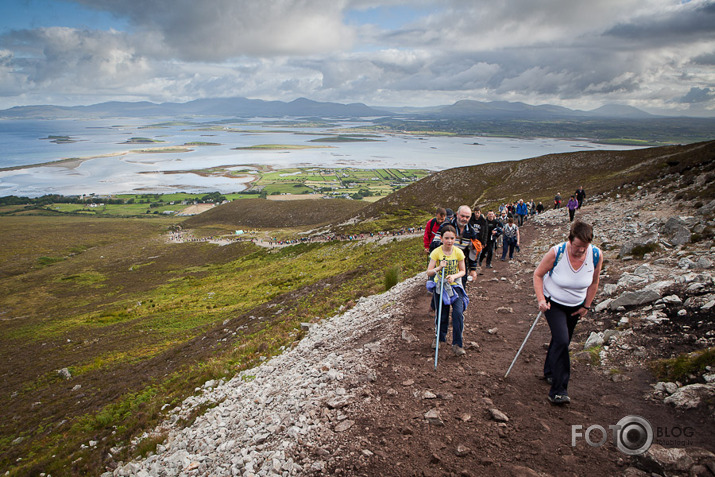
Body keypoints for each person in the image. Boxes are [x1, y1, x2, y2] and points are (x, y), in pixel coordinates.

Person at [533, 220, 602, 405]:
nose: (580, 250)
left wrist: (586, 305)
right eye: (577, 246)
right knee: (562, 340)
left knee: (561, 340)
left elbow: (594, 282)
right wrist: (541, 299)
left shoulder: (595, 255)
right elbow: (538, 274)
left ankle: (549, 372)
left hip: (575, 306)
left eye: (584, 247)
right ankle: (558, 390)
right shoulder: (557, 252)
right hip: (553, 303)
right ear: (570, 239)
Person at [427, 225, 469, 356]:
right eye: (446, 238)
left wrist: (454, 277)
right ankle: (439, 338)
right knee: (442, 314)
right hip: (440, 287)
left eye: (452, 238)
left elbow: (463, 271)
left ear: (455, 238)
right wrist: (439, 268)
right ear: (441, 238)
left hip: (455, 287)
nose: (449, 241)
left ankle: (457, 344)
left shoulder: (458, 252)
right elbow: (429, 271)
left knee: (457, 314)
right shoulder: (436, 252)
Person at [435, 205, 479, 284]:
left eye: (467, 217)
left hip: (460, 263)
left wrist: (473, 269)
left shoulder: (471, 231)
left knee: (460, 289)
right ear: (457, 214)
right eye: (462, 216)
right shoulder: (445, 226)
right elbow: (434, 244)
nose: (464, 219)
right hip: (443, 262)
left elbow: (473, 251)